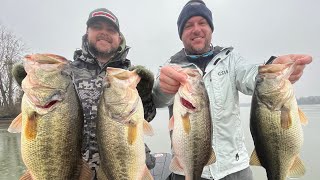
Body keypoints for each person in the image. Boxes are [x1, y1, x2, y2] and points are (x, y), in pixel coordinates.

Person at [152, 0, 313, 180]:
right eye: (188, 25)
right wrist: (164, 88)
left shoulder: (231, 60)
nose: (196, 29)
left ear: (211, 29)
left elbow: (251, 76)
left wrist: (271, 67)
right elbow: (158, 98)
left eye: (202, 23)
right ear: (181, 34)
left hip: (235, 169)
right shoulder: (170, 67)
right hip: (186, 167)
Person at [13, 7, 156, 178]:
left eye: (110, 29)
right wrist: (28, 81)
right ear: (87, 32)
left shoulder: (129, 76)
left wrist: (146, 93)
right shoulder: (66, 72)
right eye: (97, 27)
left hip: (124, 167)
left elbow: (146, 117)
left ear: (120, 38)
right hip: (74, 170)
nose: (104, 32)